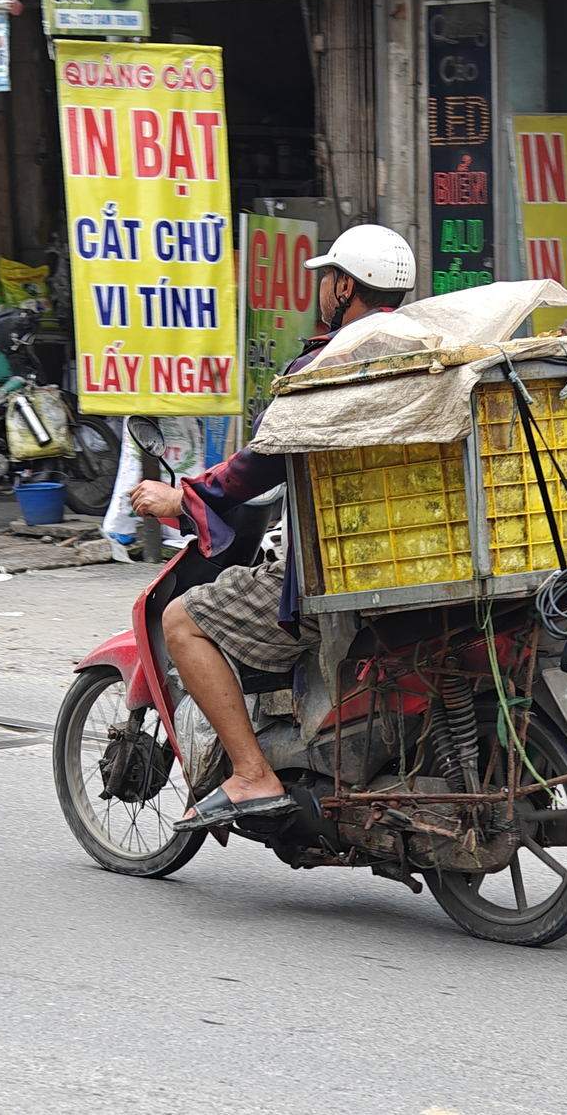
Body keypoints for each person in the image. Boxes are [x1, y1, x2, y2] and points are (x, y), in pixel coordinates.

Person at [127, 224, 415, 829]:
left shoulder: (327, 366)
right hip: (415, 555)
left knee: (182, 620)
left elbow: (258, 464)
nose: (321, 289)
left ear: (345, 289)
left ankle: (253, 773)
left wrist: (183, 497)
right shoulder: (426, 353)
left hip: (338, 568)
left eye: (327, 278)